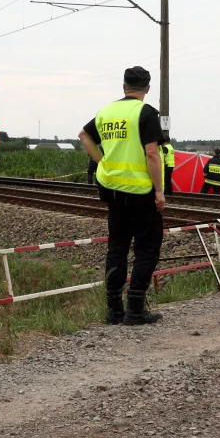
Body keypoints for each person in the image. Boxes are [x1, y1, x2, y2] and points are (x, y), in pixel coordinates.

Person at [78, 66, 166, 326]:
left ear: (124, 86)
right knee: (147, 248)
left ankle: (114, 310)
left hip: (112, 189)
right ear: (147, 88)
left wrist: (102, 162)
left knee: (117, 247)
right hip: (140, 191)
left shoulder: (106, 112)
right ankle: (135, 310)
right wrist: (159, 191)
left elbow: (84, 135)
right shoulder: (146, 113)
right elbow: (152, 154)